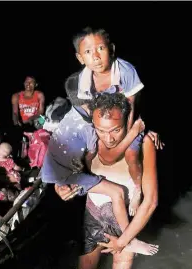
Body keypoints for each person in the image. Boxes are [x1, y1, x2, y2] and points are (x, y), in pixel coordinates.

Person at [40, 77, 155, 252]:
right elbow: (99, 156)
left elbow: (151, 201)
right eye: (101, 130)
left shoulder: (141, 138)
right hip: (90, 204)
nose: (108, 137)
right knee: (116, 193)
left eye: (115, 130)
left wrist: (141, 133)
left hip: (121, 211)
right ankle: (130, 241)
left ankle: (129, 240)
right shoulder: (88, 129)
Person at [67, 27, 164, 215]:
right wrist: (97, 138)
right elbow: (87, 114)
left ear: (111, 49)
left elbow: (132, 107)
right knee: (86, 153)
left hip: (125, 121)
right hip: (101, 123)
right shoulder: (82, 80)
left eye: (100, 49)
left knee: (131, 155)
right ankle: (93, 184)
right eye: (88, 52)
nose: (95, 57)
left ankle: (137, 189)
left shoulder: (126, 71)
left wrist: (125, 138)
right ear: (80, 58)